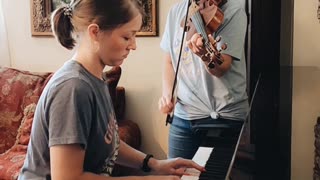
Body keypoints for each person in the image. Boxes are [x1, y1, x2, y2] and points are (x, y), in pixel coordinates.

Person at [18, 0, 205, 179]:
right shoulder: (73, 89)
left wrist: (153, 164)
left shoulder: (96, 78)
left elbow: (108, 142)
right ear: (95, 33)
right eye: (127, 36)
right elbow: (68, 178)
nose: (133, 45)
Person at [158, 0, 249, 159]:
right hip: (184, 117)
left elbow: (221, 68)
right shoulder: (176, 12)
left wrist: (204, 55)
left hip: (224, 117)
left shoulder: (234, 11)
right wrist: (167, 95)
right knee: (176, 174)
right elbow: (169, 61)